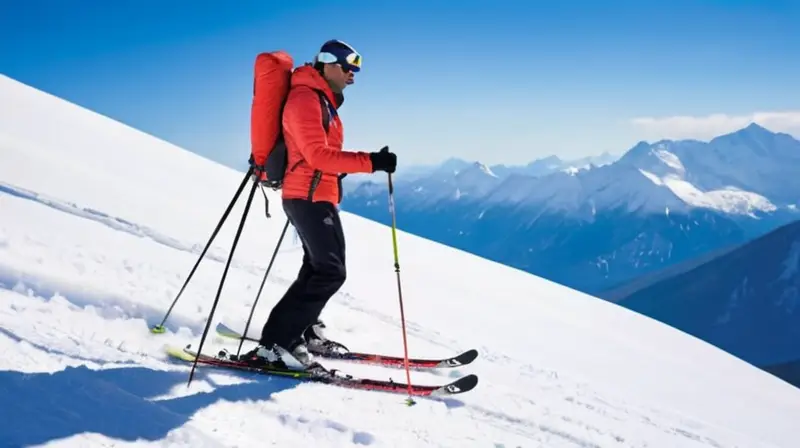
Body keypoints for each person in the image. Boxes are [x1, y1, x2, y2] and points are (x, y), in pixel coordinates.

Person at [243, 39, 397, 371]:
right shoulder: (305, 99)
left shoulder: (321, 100)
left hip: (315, 195)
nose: (353, 75)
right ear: (327, 65)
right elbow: (317, 156)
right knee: (329, 272)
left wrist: (369, 162)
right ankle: (275, 344)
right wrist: (372, 161)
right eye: (348, 67)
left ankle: (298, 332)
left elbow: (317, 156)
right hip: (307, 196)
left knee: (318, 268)